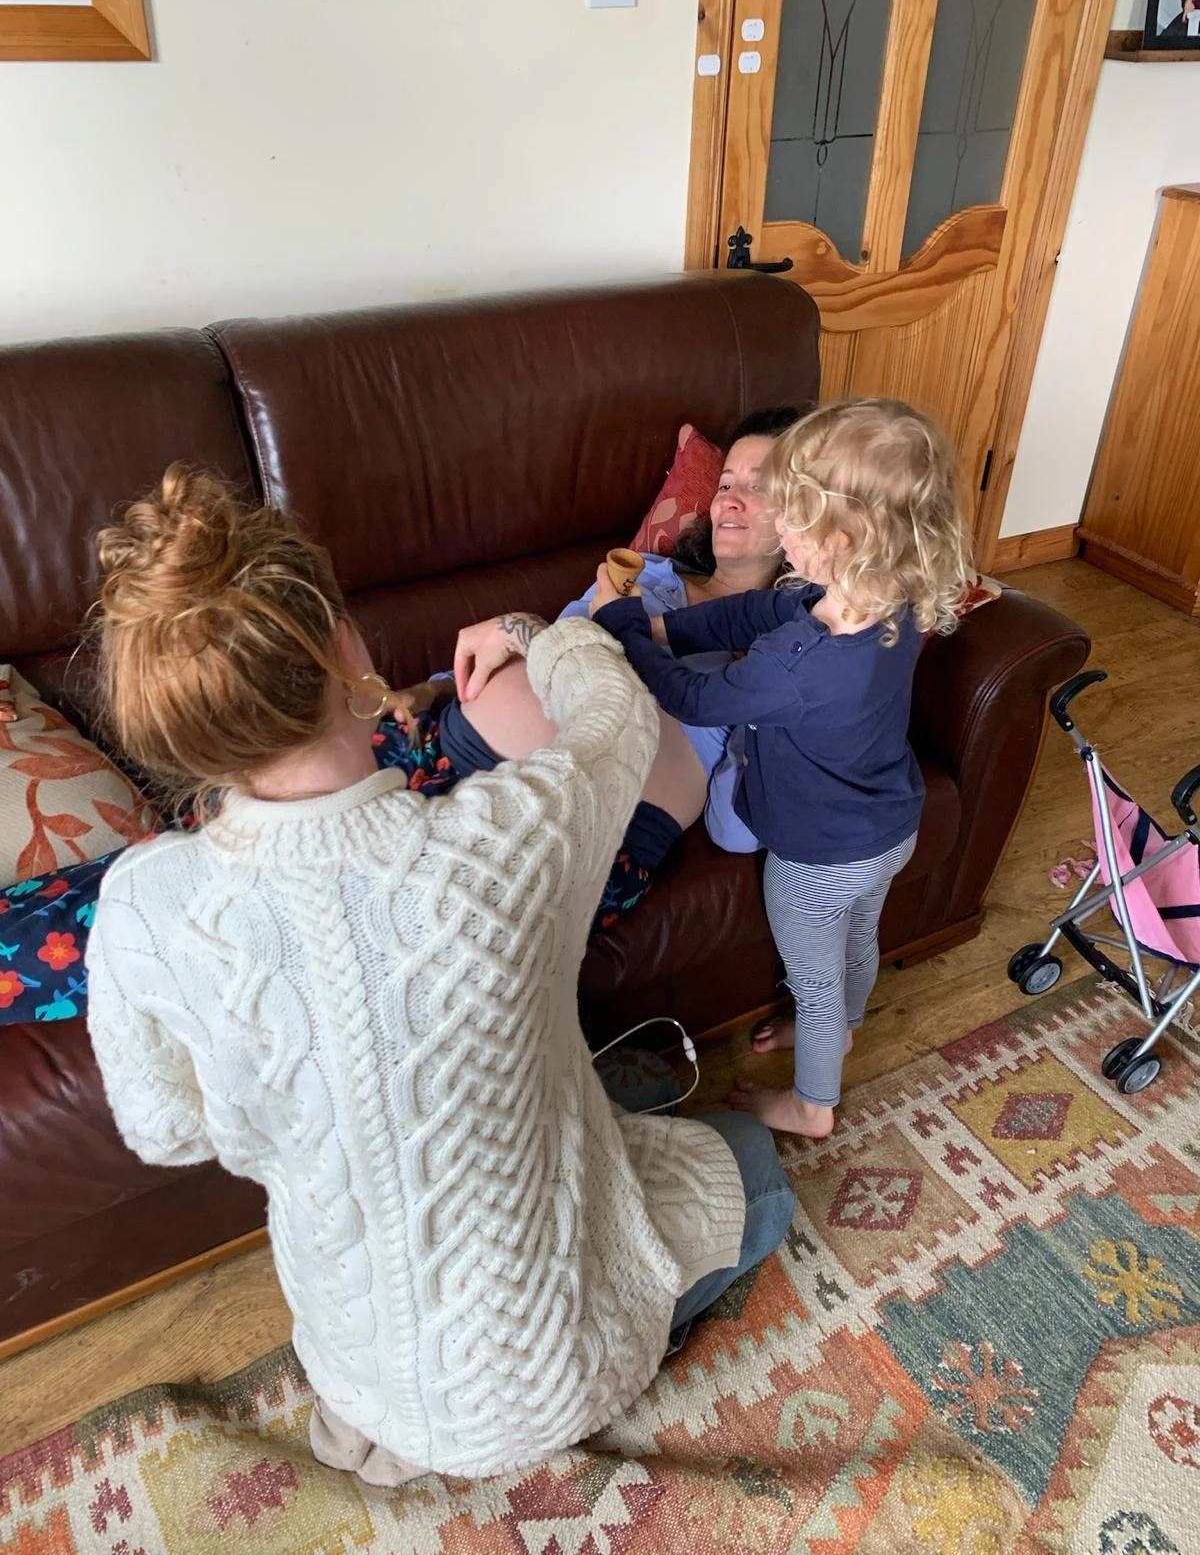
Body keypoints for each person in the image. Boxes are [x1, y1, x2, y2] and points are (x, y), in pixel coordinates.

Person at [83, 464, 794, 1485]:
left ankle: (382, 1426)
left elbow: (165, 1129)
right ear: (345, 648)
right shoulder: (506, 838)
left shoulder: (143, 905)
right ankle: (552, 1397)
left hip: (349, 1355)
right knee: (757, 1175)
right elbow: (621, 722)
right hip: (550, 1371)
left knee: (584, 1119)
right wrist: (528, 628)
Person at [588, 399, 972, 1140]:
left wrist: (626, 628)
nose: (780, 527)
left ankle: (811, 1105)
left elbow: (691, 696)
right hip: (892, 823)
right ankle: (846, 1027)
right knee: (858, 939)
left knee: (816, 978)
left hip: (817, 856)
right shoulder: (886, 597)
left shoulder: (802, 668)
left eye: (792, 513)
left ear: (845, 536)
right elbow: (751, 616)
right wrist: (665, 623)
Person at [392, 408, 805, 917]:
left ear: (807, 515)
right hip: (451, 754)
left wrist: (766, 707)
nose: (730, 501)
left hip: (584, 842)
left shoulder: (784, 652)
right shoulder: (647, 574)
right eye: (724, 485)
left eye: (759, 488)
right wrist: (430, 692)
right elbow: (546, 645)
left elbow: (737, 832)